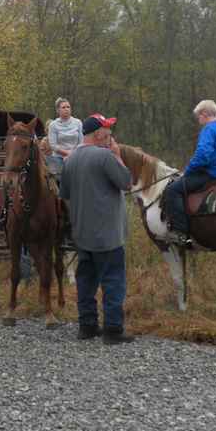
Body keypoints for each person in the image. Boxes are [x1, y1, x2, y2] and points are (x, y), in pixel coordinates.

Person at [60, 113, 134, 344]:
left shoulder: (70, 159)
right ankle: (113, 330)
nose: (111, 135)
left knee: (86, 281)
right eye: (108, 131)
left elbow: (65, 195)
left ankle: (87, 326)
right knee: (113, 280)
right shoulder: (105, 156)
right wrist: (118, 155)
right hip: (108, 235)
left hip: (82, 233)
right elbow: (127, 182)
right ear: (97, 134)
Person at [163, 99, 216, 247]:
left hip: (210, 174)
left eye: (198, 117)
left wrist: (188, 171)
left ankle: (180, 233)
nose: (199, 120)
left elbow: (203, 155)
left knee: (172, 191)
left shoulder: (209, 129)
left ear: (204, 114)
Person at [45, 97, 84, 178]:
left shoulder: (78, 122)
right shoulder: (53, 125)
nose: (66, 109)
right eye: (63, 107)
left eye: (68, 107)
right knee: (59, 180)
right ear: (58, 110)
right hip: (58, 157)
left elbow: (81, 142)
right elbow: (53, 145)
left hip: (76, 156)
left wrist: (73, 154)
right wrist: (67, 153)